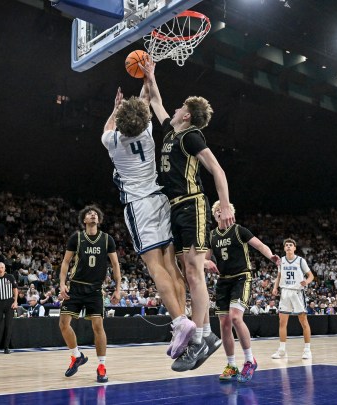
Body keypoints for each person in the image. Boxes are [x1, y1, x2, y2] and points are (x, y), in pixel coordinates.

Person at [143, 59, 235, 372]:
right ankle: (201, 334)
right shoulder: (171, 130)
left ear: (188, 114)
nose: (178, 107)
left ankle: (203, 337)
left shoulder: (191, 135)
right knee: (185, 271)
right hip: (174, 207)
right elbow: (155, 100)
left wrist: (224, 205)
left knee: (194, 272)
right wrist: (150, 75)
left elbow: (217, 170)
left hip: (193, 204)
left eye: (182, 105)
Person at [101, 85, 195, 359]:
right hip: (160, 199)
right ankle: (184, 318)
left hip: (139, 206)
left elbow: (108, 127)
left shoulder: (114, 142)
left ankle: (179, 322)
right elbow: (143, 108)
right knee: (171, 264)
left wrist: (115, 107)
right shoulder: (147, 132)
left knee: (155, 268)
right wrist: (147, 80)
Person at [207, 201, 280, 383]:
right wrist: (204, 263)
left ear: (230, 213)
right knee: (224, 324)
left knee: (235, 318)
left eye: (222, 209)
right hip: (223, 280)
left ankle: (250, 360)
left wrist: (271, 256)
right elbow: (204, 259)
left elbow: (260, 245)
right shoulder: (212, 236)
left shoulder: (239, 230)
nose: (219, 212)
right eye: (216, 210)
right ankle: (231, 365)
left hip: (241, 277)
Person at [58, 205, 121, 383]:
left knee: (98, 327)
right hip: (76, 287)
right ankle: (76, 356)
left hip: (94, 289)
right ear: (84, 220)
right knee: (63, 324)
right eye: (89, 214)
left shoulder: (107, 239)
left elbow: (115, 265)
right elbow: (65, 262)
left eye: (95, 214)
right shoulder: (76, 238)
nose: (92, 215)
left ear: (98, 220)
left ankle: (101, 366)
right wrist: (62, 284)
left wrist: (118, 288)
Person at [271, 239, 315, 360]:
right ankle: (282, 350)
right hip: (285, 292)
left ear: (295, 248)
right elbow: (279, 276)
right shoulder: (281, 261)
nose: (289, 247)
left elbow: (311, 275)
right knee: (282, 322)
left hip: (297, 292)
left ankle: (307, 350)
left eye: (291, 245)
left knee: (303, 321)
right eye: (286, 245)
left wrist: (306, 281)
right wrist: (275, 287)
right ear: (284, 248)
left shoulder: (301, 260)